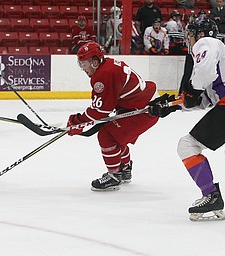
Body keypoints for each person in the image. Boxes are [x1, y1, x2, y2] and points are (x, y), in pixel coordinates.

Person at [149, 18, 225, 221]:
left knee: (187, 146)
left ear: (201, 34)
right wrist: (172, 106)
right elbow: (203, 101)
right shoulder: (215, 64)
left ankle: (211, 195)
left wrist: (192, 90)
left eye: (190, 35)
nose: (189, 40)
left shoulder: (208, 44)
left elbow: (200, 80)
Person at [66, 41, 160, 191]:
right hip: (142, 104)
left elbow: (101, 111)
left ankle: (114, 175)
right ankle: (125, 169)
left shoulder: (103, 75)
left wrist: (78, 121)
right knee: (116, 135)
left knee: (107, 135)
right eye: (81, 65)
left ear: (95, 62)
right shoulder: (107, 65)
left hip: (144, 110)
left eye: (84, 64)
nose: (83, 69)